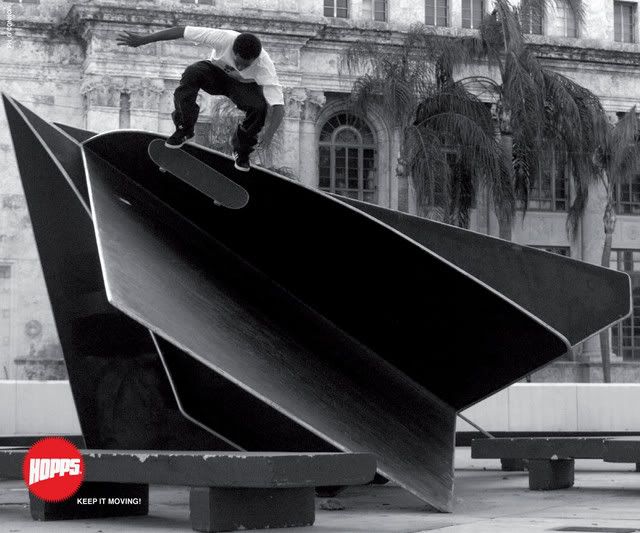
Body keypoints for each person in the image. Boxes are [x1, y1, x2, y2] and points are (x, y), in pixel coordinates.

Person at [117, 26, 285, 172]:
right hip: (214, 75)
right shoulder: (223, 38)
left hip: (242, 88)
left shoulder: (265, 65)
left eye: (245, 65)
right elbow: (181, 31)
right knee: (192, 72)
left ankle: (242, 150)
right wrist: (143, 40)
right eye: (238, 62)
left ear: (255, 59)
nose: (239, 67)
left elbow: (279, 107)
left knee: (259, 107)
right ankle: (184, 128)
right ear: (233, 50)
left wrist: (269, 135)